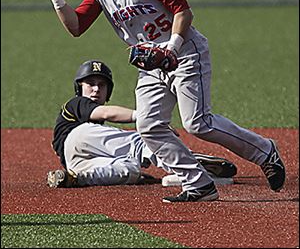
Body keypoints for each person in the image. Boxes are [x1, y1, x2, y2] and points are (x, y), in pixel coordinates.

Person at [47, 0, 285, 202]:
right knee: (148, 126)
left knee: (198, 123)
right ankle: (198, 184)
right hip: (149, 64)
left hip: (184, 50)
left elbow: (183, 13)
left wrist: (171, 48)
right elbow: (76, 26)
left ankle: (265, 151)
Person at [47, 59, 237, 189]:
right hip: (76, 139)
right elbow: (106, 112)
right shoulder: (77, 103)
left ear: (108, 90)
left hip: (76, 164)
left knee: (131, 169)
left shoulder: (93, 122)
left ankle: (73, 179)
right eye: (90, 83)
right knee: (139, 142)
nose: (96, 89)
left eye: (102, 85)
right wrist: (145, 118)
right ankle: (184, 163)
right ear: (79, 87)